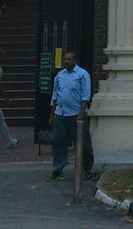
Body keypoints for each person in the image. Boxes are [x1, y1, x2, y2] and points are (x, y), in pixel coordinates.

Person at [48, 52, 94, 182]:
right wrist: (52, 114)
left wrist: (81, 113)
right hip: (61, 113)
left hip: (76, 113)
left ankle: (86, 170)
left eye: (69, 59)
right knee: (58, 142)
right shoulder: (60, 75)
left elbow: (86, 95)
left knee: (83, 143)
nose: (66, 61)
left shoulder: (82, 74)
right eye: (65, 59)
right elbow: (55, 95)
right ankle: (57, 170)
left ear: (75, 60)